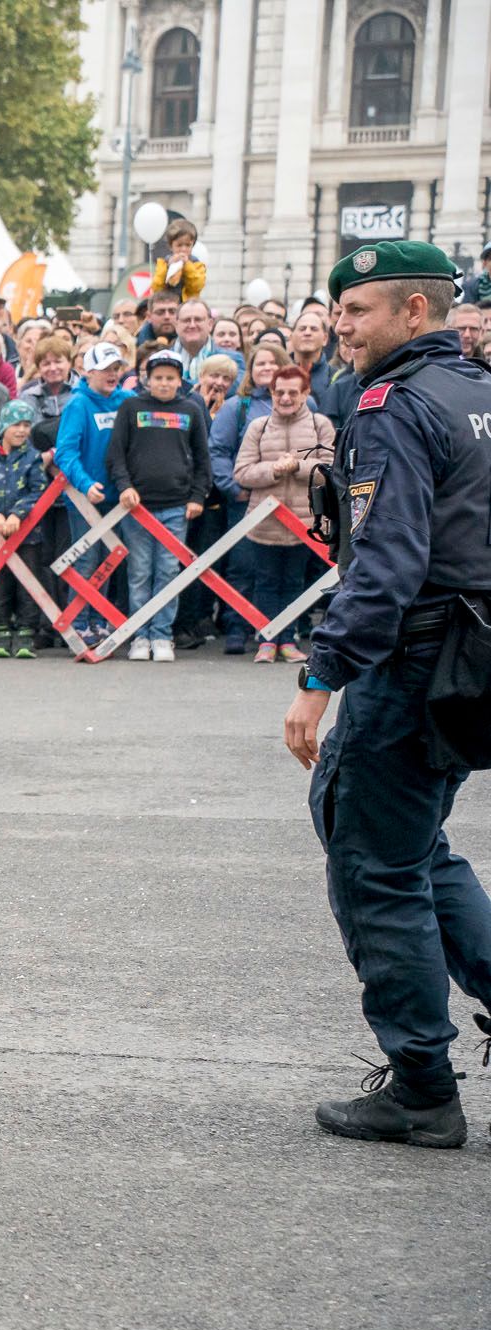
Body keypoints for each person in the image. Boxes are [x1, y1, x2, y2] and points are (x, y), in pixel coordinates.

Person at [283, 241, 491, 1150]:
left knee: (375, 864)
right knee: (416, 849)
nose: (342, 326)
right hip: (472, 657)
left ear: (415, 311)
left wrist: (320, 676)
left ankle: (421, 1087)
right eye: (338, 310)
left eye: (358, 309)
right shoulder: (478, 391)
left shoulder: (395, 406)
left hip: (415, 660)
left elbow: (385, 565)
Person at [103, 348, 210, 661]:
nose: (164, 383)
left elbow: (203, 458)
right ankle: (140, 634)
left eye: (170, 378)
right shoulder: (131, 407)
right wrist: (124, 486)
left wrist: (197, 496)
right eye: (158, 377)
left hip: (177, 506)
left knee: (167, 570)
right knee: (139, 571)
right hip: (137, 507)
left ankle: (162, 634)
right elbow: (116, 454)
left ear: (180, 380)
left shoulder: (190, 410)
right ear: (147, 380)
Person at [231, 364, 333, 663]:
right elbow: (242, 472)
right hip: (265, 523)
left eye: (292, 392)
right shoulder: (258, 427)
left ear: (305, 393)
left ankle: (288, 639)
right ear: (271, 393)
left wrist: (298, 467)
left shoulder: (320, 425)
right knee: (265, 581)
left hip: (305, 524)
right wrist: (273, 470)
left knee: (294, 582)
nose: (285, 398)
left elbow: (331, 470)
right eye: (279, 393)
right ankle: (266, 638)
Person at [54, 341, 131, 641]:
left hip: (118, 497)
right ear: (88, 372)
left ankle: (98, 618)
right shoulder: (78, 404)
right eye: (105, 369)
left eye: (116, 368)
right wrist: (85, 484)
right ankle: (79, 620)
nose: (112, 374)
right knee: (87, 559)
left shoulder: (127, 400)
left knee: (109, 559)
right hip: (85, 499)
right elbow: (65, 452)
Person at [0, 400, 47, 658]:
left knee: (27, 581)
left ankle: (27, 631)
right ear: (4, 426)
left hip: (28, 534)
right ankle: (1, 630)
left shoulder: (33, 457)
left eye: (26, 425)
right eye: (16, 424)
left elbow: (38, 489)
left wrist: (18, 514)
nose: (22, 430)